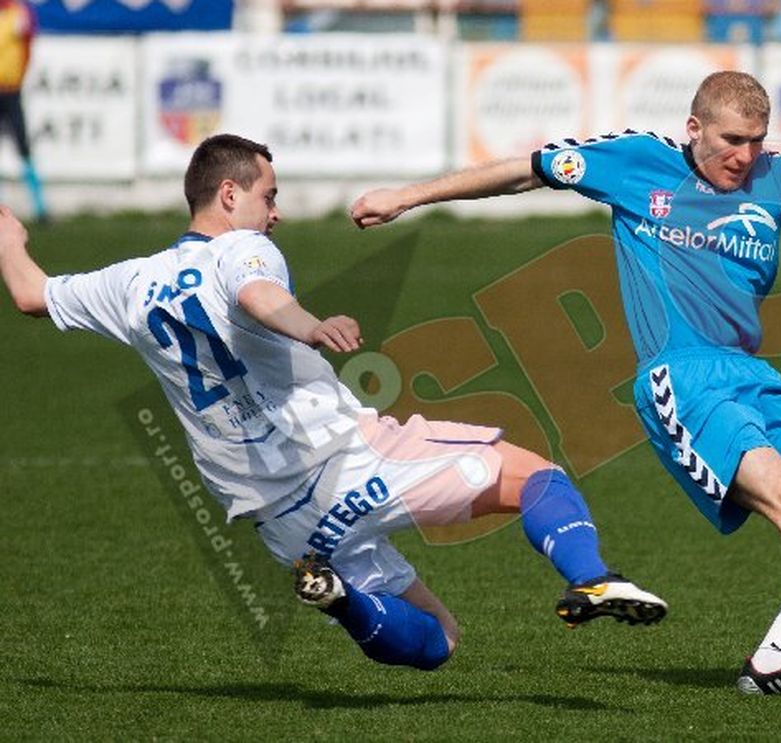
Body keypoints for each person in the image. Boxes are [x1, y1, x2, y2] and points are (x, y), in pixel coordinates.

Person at [350, 71, 781, 694]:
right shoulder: (637, 163)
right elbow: (525, 171)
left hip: (752, 374)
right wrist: (407, 196)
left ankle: (776, 658)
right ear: (694, 129)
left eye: (756, 140)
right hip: (681, 378)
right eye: (732, 140)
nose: (744, 155)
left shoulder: (777, 177)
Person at [0, 133, 666, 672]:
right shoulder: (243, 248)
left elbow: (32, 294)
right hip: (346, 459)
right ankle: (592, 577)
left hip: (281, 518)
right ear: (229, 194)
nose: (276, 211)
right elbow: (258, 297)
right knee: (535, 476)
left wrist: (8, 238)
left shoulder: (130, 281)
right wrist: (308, 324)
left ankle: (344, 597)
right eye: (269, 194)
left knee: (440, 637)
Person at [0, 0, 45, 223]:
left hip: (11, 90)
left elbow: (28, 42)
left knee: (24, 147)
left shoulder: (19, 11)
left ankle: (40, 208)